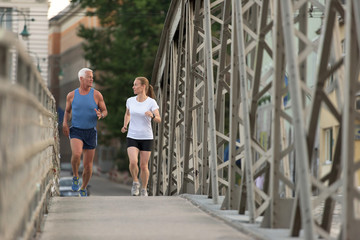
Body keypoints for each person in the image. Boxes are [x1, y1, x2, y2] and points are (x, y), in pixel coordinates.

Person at [62, 68, 108, 197]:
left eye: (92, 77)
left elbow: (105, 110)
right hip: (76, 130)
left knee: (88, 166)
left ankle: (83, 187)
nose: (91, 79)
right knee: (76, 154)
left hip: (91, 132)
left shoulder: (97, 95)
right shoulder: (71, 95)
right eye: (89, 77)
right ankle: (76, 176)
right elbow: (67, 111)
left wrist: (101, 115)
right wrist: (65, 123)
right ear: (81, 78)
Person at [121, 77, 161, 196]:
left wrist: (152, 115)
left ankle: (144, 188)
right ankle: (135, 182)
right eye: (133, 85)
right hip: (132, 135)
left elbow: (159, 119)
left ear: (143, 86)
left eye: (135, 85)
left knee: (144, 166)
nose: (133, 87)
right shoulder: (130, 100)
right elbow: (127, 114)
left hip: (146, 137)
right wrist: (125, 125)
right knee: (133, 162)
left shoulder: (151, 102)